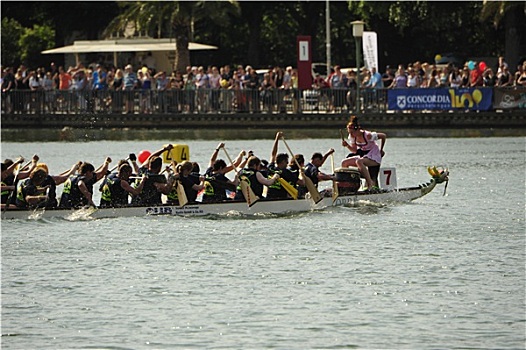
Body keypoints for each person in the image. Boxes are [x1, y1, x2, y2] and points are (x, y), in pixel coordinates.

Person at [341, 116, 386, 190]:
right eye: (349, 133)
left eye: (352, 132)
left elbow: (383, 136)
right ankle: (346, 185)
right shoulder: (353, 137)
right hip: (365, 156)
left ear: (357, 129)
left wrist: (381, 150)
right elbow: (354, 151)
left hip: (374, 157)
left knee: (359, 161)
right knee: (344, 162)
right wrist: (347, 145)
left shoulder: (368, 135)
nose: (351, 135)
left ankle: (370, 183)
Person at [266, 132, 301, 199]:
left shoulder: (270, 168)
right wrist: (301, 173)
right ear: (283, 162)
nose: (288, 163)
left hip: (269, 198)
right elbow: (302, 183)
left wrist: (276, 138)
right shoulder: (286, 172)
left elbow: (273, 154)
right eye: (286, 162)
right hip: (280, 199)